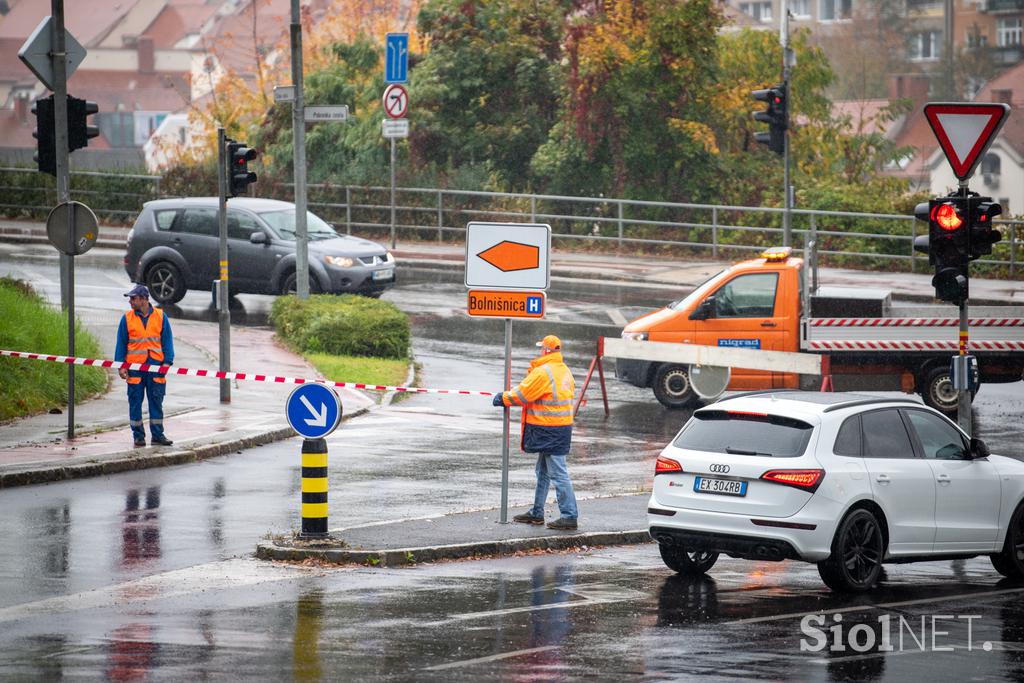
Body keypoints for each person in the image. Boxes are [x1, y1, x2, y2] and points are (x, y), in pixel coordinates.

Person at [493, 334, 578, 530]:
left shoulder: (543, 372)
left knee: (558, 474)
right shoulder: (564, 370)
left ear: (546, 350)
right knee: (544, 471)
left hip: (548, 429)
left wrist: (502, 398)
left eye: (542, 348)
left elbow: (522, 395)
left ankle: (569, 515)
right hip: (559, 429)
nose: (540, 351)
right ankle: (537, 513)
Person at [115, 284, 174, 447]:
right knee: (135, 402)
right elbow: (121, 343)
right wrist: (121, 366)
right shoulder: (127, 318)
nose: (130, 302)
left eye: (133, 298)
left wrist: (167, 362)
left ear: (144, 299)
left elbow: (167, 341)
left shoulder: (161, 317)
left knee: (156, 401)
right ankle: (138, 436)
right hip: (135, 368)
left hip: (156, 367)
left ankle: (157, 435)